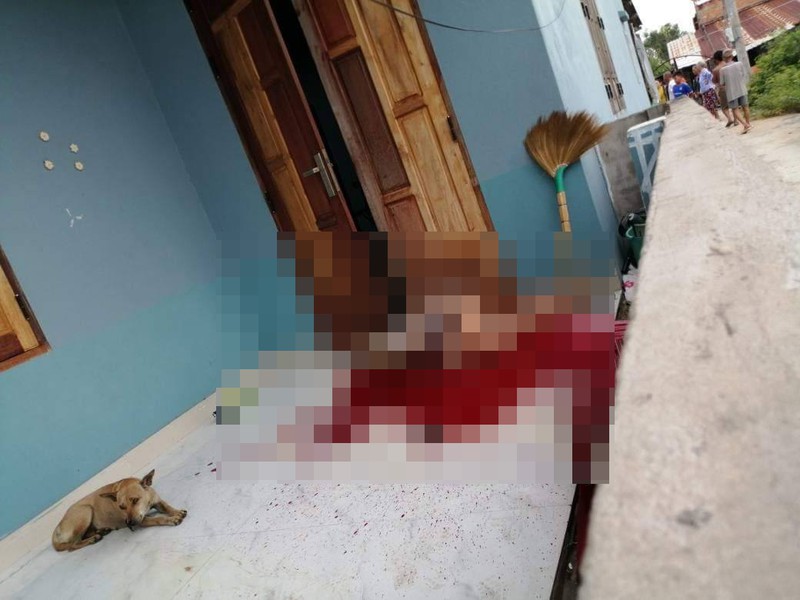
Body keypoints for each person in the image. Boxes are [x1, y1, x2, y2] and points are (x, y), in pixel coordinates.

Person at [719, 48, 752, 133]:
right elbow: (743, 75)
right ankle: (748, 123)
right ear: (732, 56)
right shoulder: (739, 64)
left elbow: (722, 83)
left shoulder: (722, 70)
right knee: (745, 107)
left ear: (724, 58)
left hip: (731, 93)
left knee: (735, 109)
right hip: (742, 89)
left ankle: (745, 125)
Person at [712, 50, 736, 127]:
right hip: (732, 86)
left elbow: (714, 81)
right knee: (734, 105)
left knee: (724, 107)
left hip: (723, 89)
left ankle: (730, 119)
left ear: (716, 59)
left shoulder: (716, 70)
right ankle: (736, 120)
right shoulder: (729, 65)